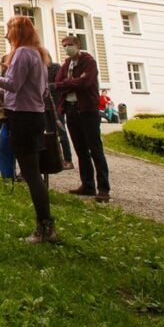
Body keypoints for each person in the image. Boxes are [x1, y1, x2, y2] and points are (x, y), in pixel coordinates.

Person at [0, 15, 58, 244]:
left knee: (31, 174)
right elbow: (38, 92)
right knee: (33, 174)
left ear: (18, 31)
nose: (6, 35)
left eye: (8, 30)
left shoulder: (22, 53)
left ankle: (45, 227)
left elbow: (12, 84)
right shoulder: (39, 55)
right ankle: (46, 225)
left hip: (23, 118)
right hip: (34, 116)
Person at [56, 35, 112, 203]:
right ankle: (87, 185)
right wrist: (71, 81)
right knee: (80, 150)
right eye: (64, 45)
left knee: (95, 149)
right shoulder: (66, 64)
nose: (67, 47)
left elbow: (85, 83)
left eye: (70, 44)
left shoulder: (89, 62)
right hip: (71, 109)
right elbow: (58, 82)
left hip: (87, 110)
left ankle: (103, 188)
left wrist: (68, 83)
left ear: (78, 45)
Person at [47, 58, 75, 169]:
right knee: (49, 134)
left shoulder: (55, 67)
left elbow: (59, 84)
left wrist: (47, 85)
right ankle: (56, 160)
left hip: (56, 105)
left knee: (62, 133)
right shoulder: (40, 69)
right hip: (45, 106)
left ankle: (68, 160)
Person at [0, 58, 17, 180]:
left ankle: (18, 171)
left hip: (12, 114)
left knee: (15, 143)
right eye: (3, 62)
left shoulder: (15, 75)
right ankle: (8, 171)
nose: (4, 64)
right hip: (1, 113)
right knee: (5, 143)